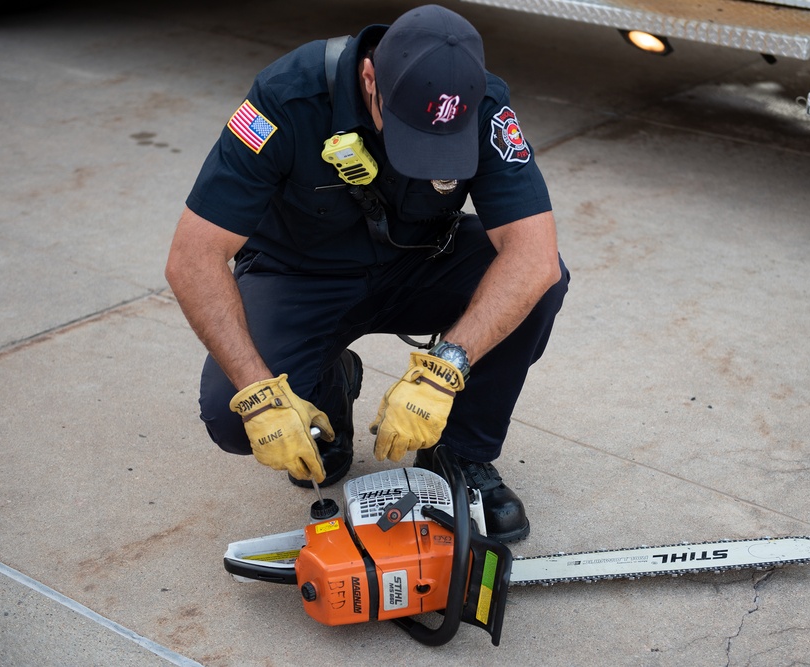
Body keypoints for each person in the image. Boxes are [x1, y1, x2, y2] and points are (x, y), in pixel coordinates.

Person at [164, 4, 568, 543]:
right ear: (370, 75)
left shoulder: (483, 105)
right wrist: (261, 393)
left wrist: (445, 367)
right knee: (233, 417)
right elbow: (192, 258)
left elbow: (533, 254)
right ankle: (328, 384)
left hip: (419, 263)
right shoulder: (287, 96)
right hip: (300, 276)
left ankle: (460, 456)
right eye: (405, 130)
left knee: (542, 280)